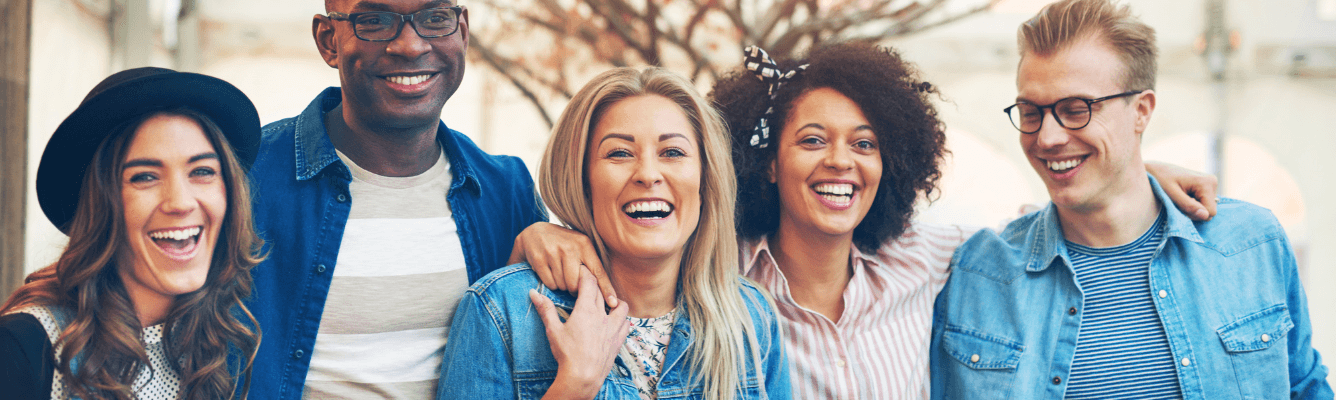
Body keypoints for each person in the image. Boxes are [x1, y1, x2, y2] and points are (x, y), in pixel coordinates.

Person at [514, 41, 1218, 398]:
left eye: (865, 143)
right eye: (812, 140)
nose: (840, 164)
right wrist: (546, 231)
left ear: (892, 162)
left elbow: (1053, 223)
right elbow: (639, 227)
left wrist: (1136, 176)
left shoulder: (937, 258)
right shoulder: (718, 276)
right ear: (765, 160)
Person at [929, 0, 1330, 398]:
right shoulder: (979, 274)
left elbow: (1307, 389)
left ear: (1141, 111)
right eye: (1030, 112)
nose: (1047, 138)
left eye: (1075, 109)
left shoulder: (1250, 245)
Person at [244, 0, 546, 398]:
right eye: (374, 20)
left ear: (463, 30)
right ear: (327, 40)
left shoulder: (506, 192)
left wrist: (560, 237)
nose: (410, 45)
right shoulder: (246, 179)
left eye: (435, 18)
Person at [438, 66, 789, 399]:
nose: (648, 174)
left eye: (672, 152)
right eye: (619, 153)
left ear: (704, 180)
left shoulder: (752, 317)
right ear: (583, 180)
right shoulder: (502, 311)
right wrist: (573, 387)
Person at [0, 67, 265, 400]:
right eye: (145, 177)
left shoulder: (224, 344)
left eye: (202, 171)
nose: (180, 202)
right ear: (100, 203)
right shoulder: (24, 348)